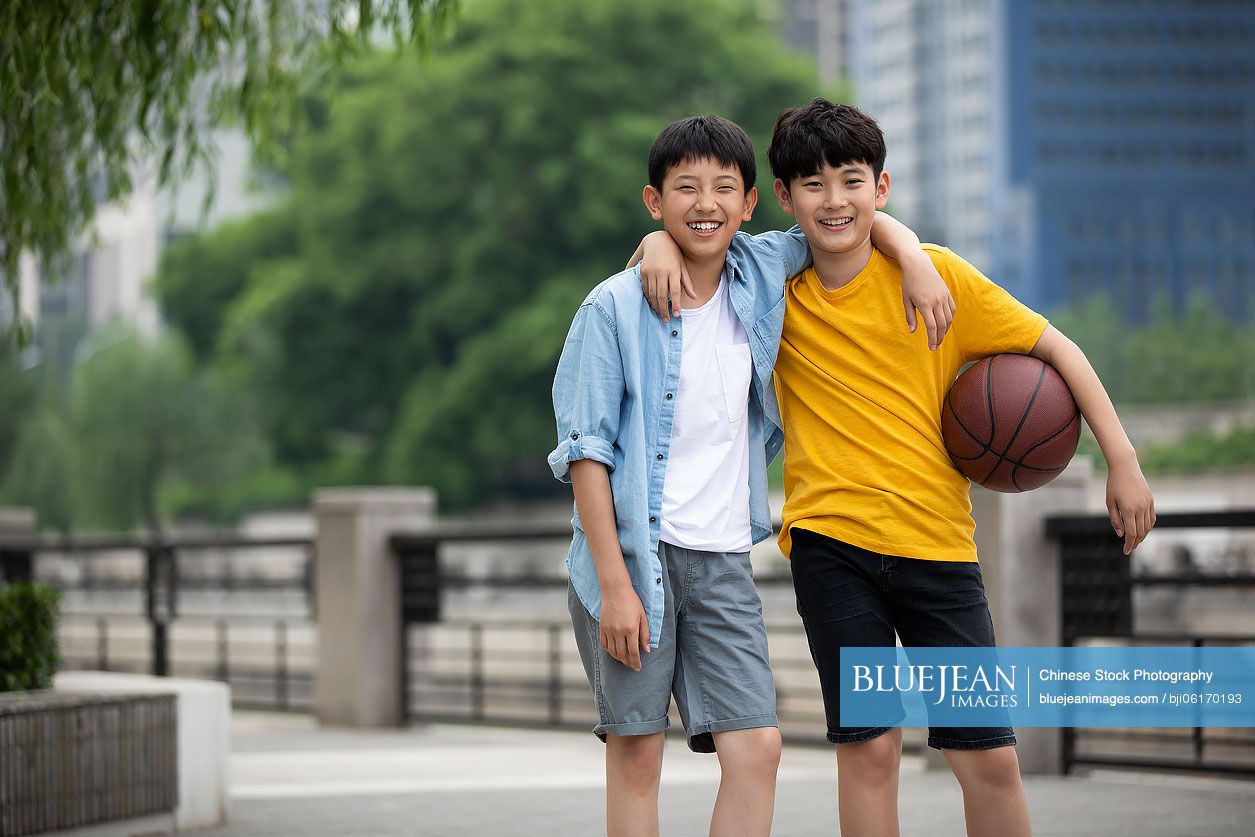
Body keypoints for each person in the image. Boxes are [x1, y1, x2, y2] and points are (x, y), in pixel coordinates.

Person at [639, 98, 1156, 837]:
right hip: (830, 550)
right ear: (782, 199)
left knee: (988, 758)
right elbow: (691, 244)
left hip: (939, 551)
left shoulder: (937, 279)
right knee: (870, 749)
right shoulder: (770, 289)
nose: (834, 200)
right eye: (811, 185)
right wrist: (654, 245)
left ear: (881, 188)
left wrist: (1122, 461)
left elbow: (1056, 350)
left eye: (852, 181)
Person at [549, 113, 949, 837]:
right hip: (633, 562)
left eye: (722, 189)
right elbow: (586, 453)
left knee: (757, 747)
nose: (704, 203)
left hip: (723, 559)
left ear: (749, 202)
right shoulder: (611, 306)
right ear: (653, 202)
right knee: (638, 754)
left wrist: (914, 256)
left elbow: (845, 221)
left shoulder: (761, 272)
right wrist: (613, 586)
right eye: (684, 190)